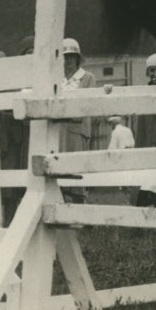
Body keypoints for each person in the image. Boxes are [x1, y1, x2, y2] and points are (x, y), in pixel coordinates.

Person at [59, 37, 96, 202]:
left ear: (77, 58)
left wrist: (64, 112)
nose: (68, 60)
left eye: (71, 56)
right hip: (58, 131)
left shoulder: (87, 78)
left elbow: (87, 106)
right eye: (64, 56)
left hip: (77, 131)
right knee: (59, 173)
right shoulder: (56, 79)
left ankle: (83, 215)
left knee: (77, 175)